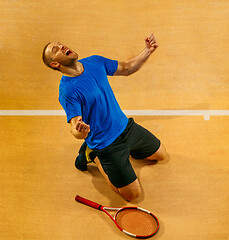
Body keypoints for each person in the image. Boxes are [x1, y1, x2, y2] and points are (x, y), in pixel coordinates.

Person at [42, 33, 167, 202]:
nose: (63, 46)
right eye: (56, 49)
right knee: (132, 195)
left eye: (61, 44)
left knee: (161, 155)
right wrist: (82, 132)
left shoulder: (95, 62)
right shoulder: (68, 91)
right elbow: (75, 128)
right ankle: (92, 155)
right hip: (106, 145)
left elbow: (127, 67)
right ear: (55, 64)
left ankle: (123, 156)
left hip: (125, 127)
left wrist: (147, 51)